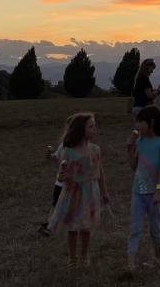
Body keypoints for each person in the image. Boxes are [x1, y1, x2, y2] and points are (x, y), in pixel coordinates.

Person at [46, 112, 111, 267]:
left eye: (95, 126)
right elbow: (62, 176)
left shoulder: (95, 149)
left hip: (90, 192)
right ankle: (72, 258)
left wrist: (104, 192)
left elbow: (99, 172)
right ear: (80, 129)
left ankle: (84, 255)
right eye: (91, 126)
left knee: (86, 226)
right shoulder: (68, 151)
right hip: (73, 193)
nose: (94, 129)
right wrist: (62, 174)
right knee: (73, 227)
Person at [126, 106, 160, 270]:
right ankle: (130, 263)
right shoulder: (140, 141)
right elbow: (133, 167)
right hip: (137, 191)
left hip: (154, 193)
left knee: (154, 228)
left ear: (151, 122)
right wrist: (129, 147)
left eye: (140, 122)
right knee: (135, 227)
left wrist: (159, 190)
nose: (137, 125)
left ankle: (158, 257)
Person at [38, 135, 66, 237]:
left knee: (56, 206)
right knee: (58, 206)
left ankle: (49, 226)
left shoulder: (63, 145)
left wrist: (50, 155)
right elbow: (54, 158)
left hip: (60, 183)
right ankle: (49, 227)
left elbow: (54, 158)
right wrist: (49, 154)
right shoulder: (66, 146)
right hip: (64, 184)